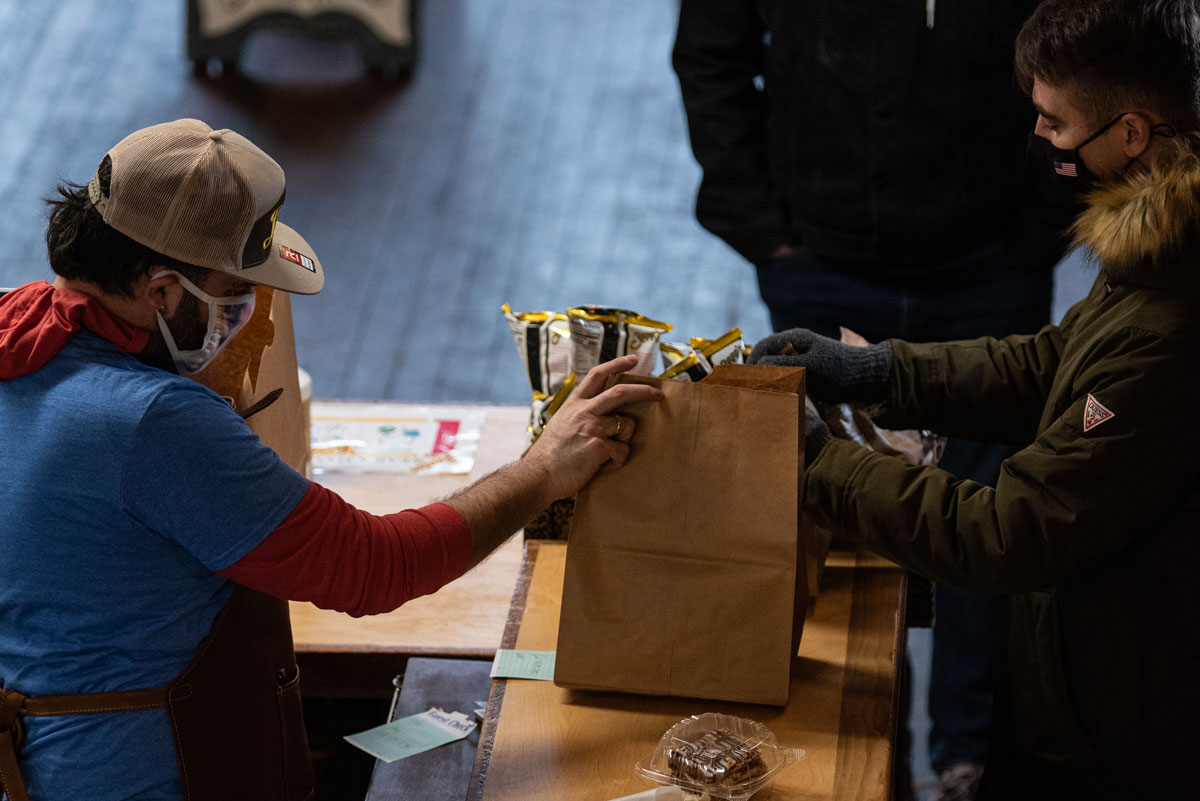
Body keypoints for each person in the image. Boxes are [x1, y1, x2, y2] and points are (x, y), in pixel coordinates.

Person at [0, 119, 663, 801]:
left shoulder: (19, 342)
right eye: (235, 297)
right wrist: (547, 466)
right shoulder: (151, 421)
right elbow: (375, 567)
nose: (251, 321)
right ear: (162, 292)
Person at [750, 0, 1200, 797]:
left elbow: (1008, 529)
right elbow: (1055, 365)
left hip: (1117, 735)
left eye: (1056, 123)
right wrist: (881, 373)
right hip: (1079, 689)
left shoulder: (1172, 327)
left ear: (1131, 134)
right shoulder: (1160, 249)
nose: (1041, 137)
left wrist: (826, 466)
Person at [671, 3, 1079, 797]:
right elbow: (710, 55)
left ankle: (970, 761)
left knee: (995, 527)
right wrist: (763, 224)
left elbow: (1079, 49)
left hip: (991, 264)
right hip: (819, 256)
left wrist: (1041, 230)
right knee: (828, 526)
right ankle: (846, 766)